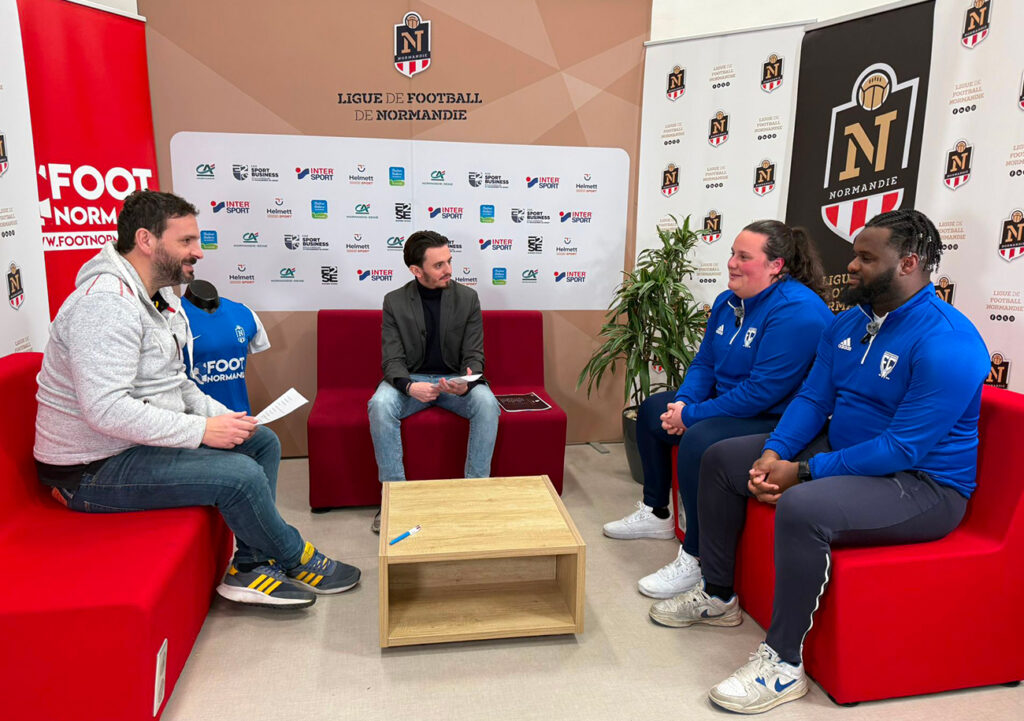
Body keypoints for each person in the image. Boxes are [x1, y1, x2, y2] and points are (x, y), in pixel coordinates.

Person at [647, 210, 989, 714]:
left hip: (922, 486)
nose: (850, 265)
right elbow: (812, 399)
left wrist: (803, 472)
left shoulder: (948, 342)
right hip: (846, 450)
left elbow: (902, 449)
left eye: (867, 258)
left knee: (805, 507)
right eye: (854, 253)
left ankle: (783, 665)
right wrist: (774, 451)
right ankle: (718, 596)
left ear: (910, 264)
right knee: (722, 459)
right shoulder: (851, 321)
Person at [33, 190, 360, 609]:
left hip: (131, 445)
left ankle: (250, 565)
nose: (198, 252)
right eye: (186, 241)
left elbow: (177, 382)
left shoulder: (161, 297)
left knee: (259, 441)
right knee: (239, 476)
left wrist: (225, 419)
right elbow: (106, 410)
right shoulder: (105, 304)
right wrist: (202, 430)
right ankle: (294, 556)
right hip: (90, 469)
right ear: (146, 240)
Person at [604, 220, 833, 599]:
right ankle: (658, 513)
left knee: (699, 439)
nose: (731, 263)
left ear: (776, 266)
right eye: (732, 253)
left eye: (744, 256)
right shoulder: (730, 302)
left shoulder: (798, 312)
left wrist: (691, 418)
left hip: (775, 417)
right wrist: (684, 403)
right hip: (730, 405)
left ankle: (695, 557)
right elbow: (704, 363)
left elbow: (762, 392)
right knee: (651, 410)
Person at [367, 230, 500, 532]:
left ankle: (475, 494)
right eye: (439, 265)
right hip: (412, 381)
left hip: (455, 383)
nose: (449, 270)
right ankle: (394, 500)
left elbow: (474, 353)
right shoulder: (394, 301)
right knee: (380, 404)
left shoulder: (468, 298)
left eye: (449, 261)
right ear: (417, 271)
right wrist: (409, 386)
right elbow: (392, 359)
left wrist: (468, 380)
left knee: (487, 403)